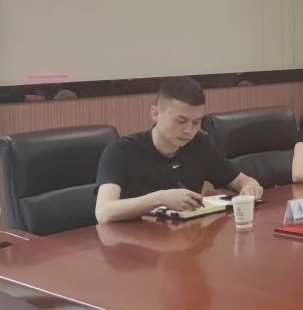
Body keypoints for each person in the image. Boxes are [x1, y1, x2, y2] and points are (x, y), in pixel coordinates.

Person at [94, 77, 264, 224]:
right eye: (181, 121)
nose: (188, 131)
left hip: (183, 239)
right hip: (131, 243)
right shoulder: (121, 151)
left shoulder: (199, 144)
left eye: (196, 122)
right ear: (155, 114)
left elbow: (241, 180)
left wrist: (250, 186)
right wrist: (160, 199)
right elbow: (103, 212)